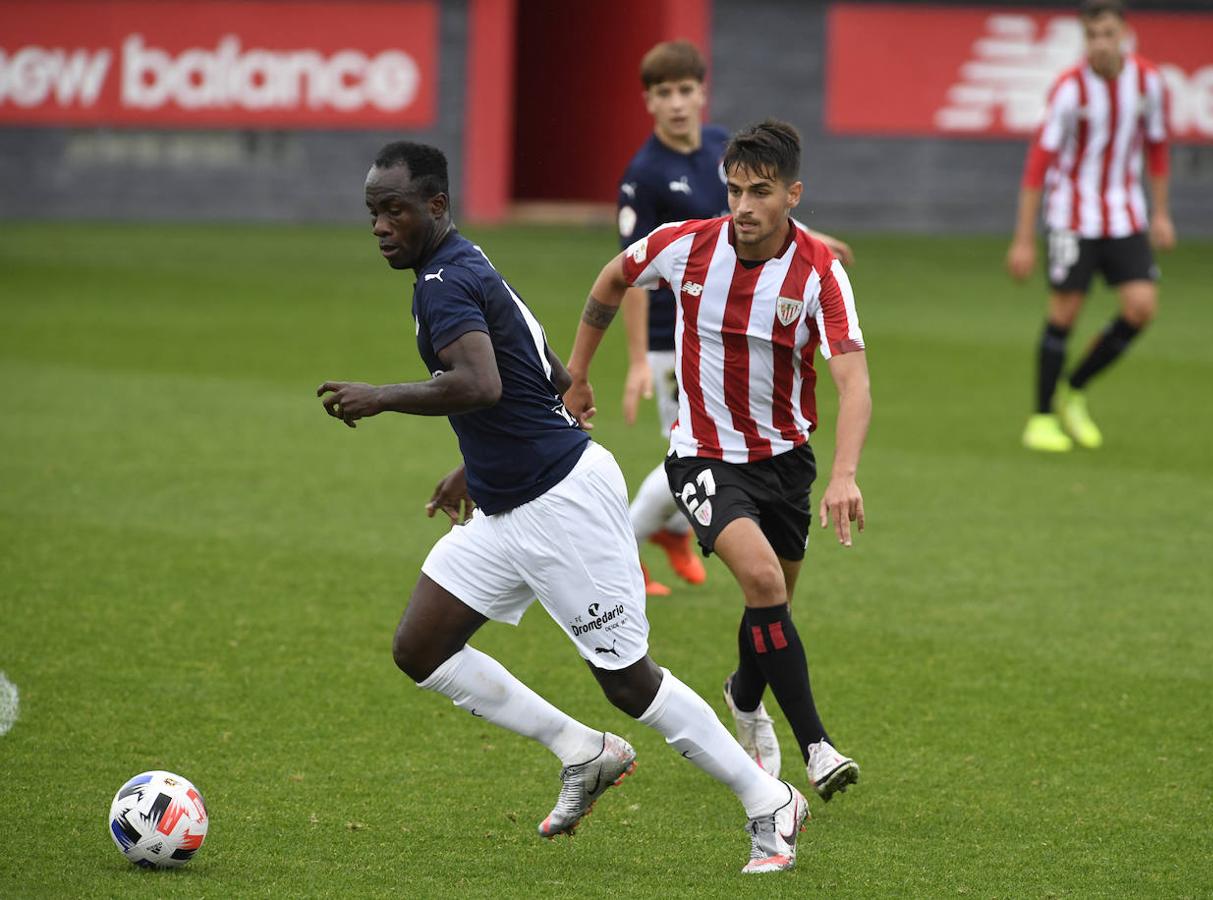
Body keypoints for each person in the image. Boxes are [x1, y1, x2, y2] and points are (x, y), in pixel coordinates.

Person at [316, 141, 808, 874]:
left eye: (395, 210)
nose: (382, 225)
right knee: (420, 647)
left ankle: (768, 799)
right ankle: (582, 750)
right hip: (509, 504)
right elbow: (541, 373)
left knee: (628, 681)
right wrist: (474, 465)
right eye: (373, 213)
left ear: (436, 206)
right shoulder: (466, 265)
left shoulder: (444, 283)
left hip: (558, 502)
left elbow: (480, 383)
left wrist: (380, 397)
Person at [566, 120, 869, 802]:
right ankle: (817, 748)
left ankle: (742, 691)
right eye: (733, 190)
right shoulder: (686, 246)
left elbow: (855, 381)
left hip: (787, 460)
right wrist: (577, 374)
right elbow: (613, 278)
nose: (743, 206)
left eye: (760, 192)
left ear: (793, 194)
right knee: (763, 582)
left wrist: (844, 474)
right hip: (702, 456)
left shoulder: (821, 273)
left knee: (776, 599)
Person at [617, 40, 855, 597]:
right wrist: (634, 361)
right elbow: (628, 270)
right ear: (649, 103)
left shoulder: (723, 149)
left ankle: (673, 532)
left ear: (702, 92)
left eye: (685, 90)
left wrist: (812, 240)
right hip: (672, 337)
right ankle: (621, 549)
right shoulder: (645, 174)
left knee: (703, 451)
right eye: (663, 93)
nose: (677, 103)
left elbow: (750, 220)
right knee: (696, 449)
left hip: (734, 330)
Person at [1006, 0, 1176, 452]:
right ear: (1084, 40)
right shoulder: (1069, 89)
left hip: (1126, 215)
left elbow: (1157, 148)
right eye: (1092, 36)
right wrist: (1024, 238)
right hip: (1072, 218)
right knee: (1064, 314)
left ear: (1124, 34)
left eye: (1107, 34)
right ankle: (1041, 418)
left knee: (1141, 307)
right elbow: (1037, 163)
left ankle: (1074, 388)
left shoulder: (1148, 82)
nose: (1100, 43)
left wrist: (1160, 212)